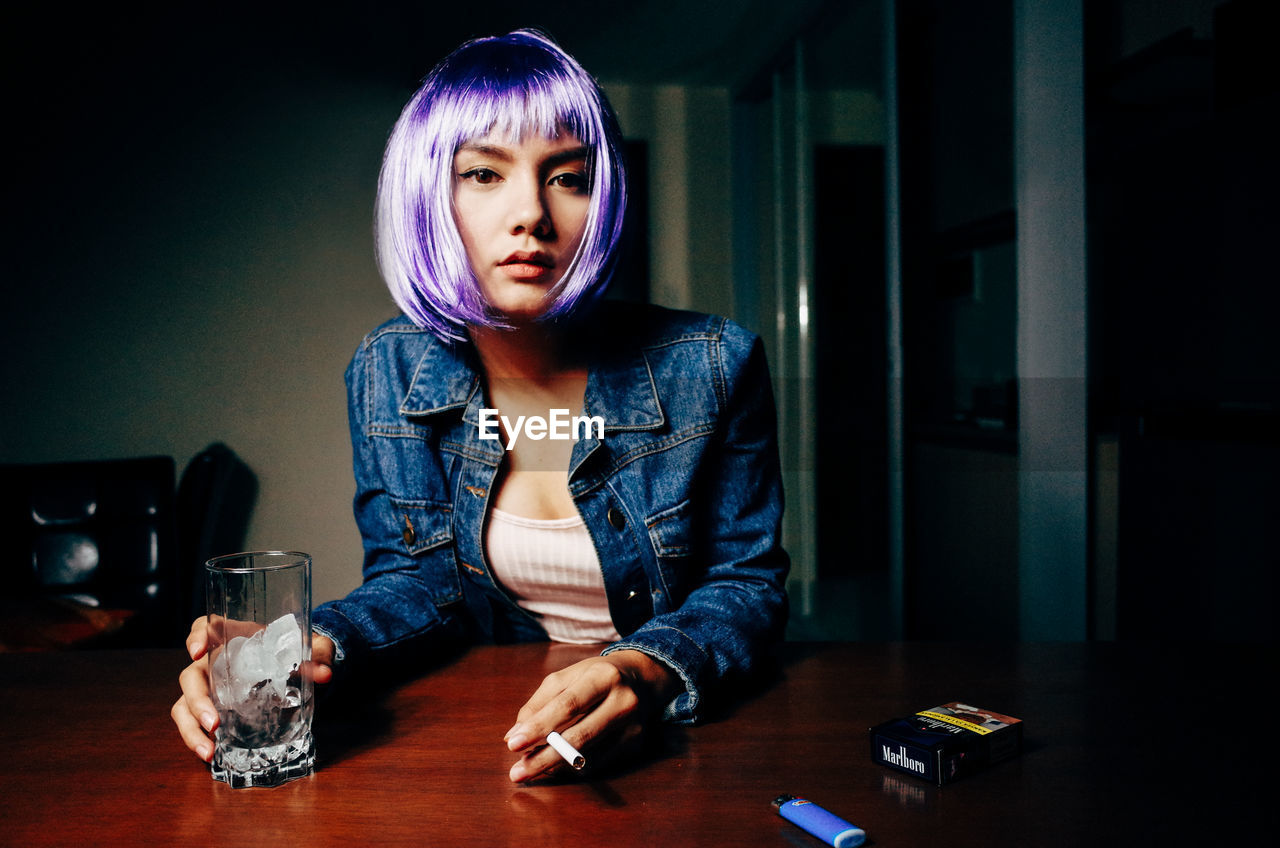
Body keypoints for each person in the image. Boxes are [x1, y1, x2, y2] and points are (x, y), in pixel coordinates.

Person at [171, 28, 788, 784]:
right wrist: (310, 646)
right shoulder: (388, 369)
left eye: (569, 176)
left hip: (688, 747)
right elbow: (417, 582)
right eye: (483, 175)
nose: (531, 212)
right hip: (486, 733)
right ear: (430, 195)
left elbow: (747, 586)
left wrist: (643, 671)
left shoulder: (715, 365)